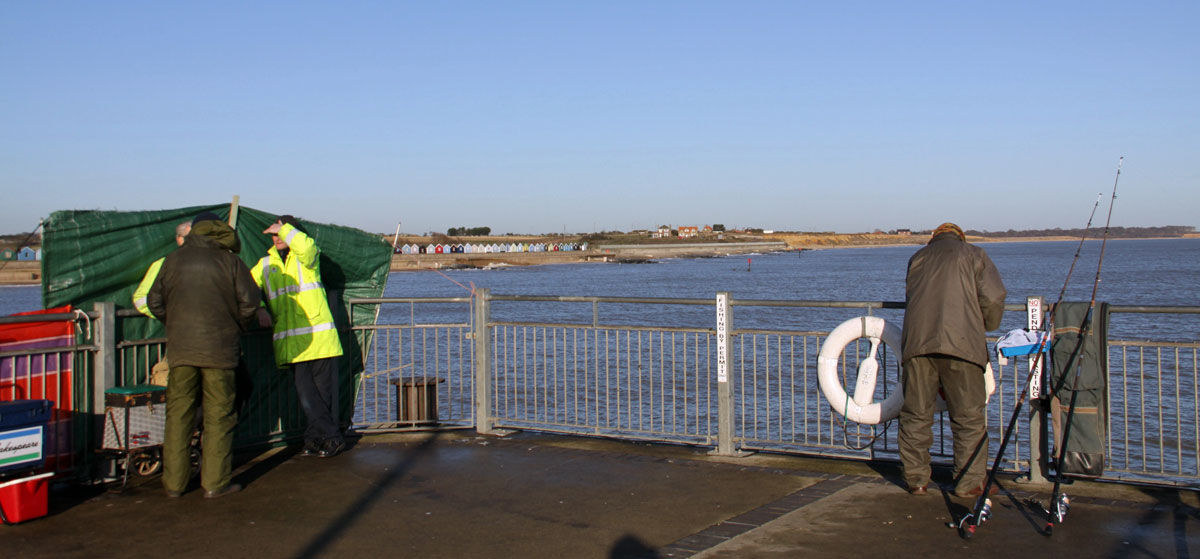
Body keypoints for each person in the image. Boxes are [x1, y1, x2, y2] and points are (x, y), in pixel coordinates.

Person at [147, 212, 260, 499]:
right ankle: (215, 484)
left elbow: (154, 302)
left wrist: (175, 325)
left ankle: (173, 485)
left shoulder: (173, 260)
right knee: (219, 416)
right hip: (221, 351)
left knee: (179, 415)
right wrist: (234, 327)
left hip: (181, 350)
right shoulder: (230, 261)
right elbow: (250, 302)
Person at [899, 222, 1006, 498]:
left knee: (915, 415)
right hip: (962, 347)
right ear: (961, 237)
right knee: (969, 418)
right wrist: (986, 325)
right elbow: (993, 298)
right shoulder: (974, 254)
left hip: (918, 346)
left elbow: (912, 297)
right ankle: (969, 483)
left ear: (934, 239)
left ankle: (916, 480)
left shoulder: (917, 258)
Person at [251, 215, 346, 458]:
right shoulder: (264, 265)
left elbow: (306, 245)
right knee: (306, 395)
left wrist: (285, 230)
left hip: (320, 340)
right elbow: (246, 288)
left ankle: (317, 441)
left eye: (282, 232)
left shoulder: (307, 259)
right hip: (293, 344)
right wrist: (260, 307)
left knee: (321, 397)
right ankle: (331, 438)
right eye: (274, 234)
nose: (277, 237)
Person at [132, 221, 191, 317]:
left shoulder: (216, 261)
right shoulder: (163, 264)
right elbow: (141, 300)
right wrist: (171, 317)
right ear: (179, 239)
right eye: (190, 237)